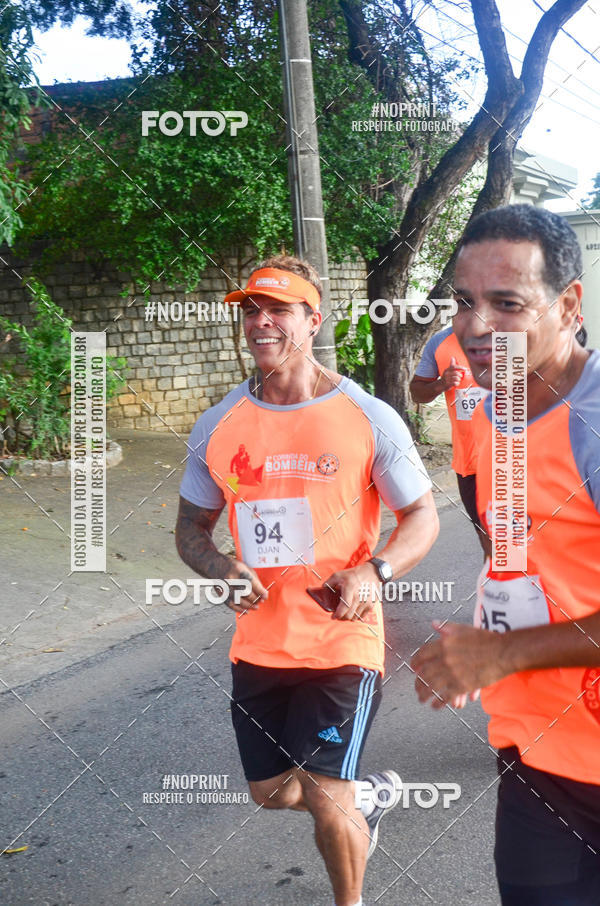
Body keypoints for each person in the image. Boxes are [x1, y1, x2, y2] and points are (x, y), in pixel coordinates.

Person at [175, 255, 439, 906]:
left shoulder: (368, 416)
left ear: (313, 320)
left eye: (279, 310)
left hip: (342, 640)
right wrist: (219, 566)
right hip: (260, 643)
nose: (261, 322)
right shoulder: (218, 424)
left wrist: (373, 571)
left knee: (325, 792)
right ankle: (372, 796)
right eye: (250, 311)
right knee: (271, 793)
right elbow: (189, 528)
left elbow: (422, 516)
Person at [411, 205, 600, 905]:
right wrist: (488, 640)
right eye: (464, 301)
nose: (476, 326)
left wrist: (503, 655)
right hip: (539, 758)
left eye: (507, 303)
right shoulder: (501, 410)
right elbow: (526, 553)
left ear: (569, 306)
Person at [410, 326, 488, 551]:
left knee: (517, 544)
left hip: (515, 461)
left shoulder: (518, 332)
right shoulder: (441, 342)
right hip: (470, 464)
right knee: (488, 540)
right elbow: (417, 392)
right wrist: (441, 384)